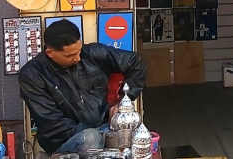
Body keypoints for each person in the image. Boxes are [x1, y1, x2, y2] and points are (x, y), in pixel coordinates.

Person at [19, 20, 146, 155]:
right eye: (70, 55)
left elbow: (136, 63)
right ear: (50, 52)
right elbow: (53, 123)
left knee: (137, 134)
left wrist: (122, 101)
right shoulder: (33, 75)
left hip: (105, 126)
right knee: (91, 138)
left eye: (79, 51)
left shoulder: (92, 53)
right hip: (65, 140)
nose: (78, 58)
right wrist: (101, 134)